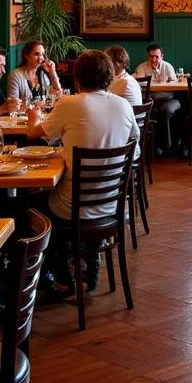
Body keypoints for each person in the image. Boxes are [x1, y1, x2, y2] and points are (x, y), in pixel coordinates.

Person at [26, 50, 138, 299]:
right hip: (111, 206)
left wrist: (33, 115)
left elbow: (34, 134)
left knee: (32, 205)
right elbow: (135, 143)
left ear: (76, 79)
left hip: (73, 208)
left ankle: (61, 277)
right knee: (80, 192)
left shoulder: (69, 104)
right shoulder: (123, 105)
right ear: (109, 77)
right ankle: (90, 261)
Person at [135, 43, 181, 153]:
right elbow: (140, 84)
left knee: (166, 110)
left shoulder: (167, 66)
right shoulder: (142, 67)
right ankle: (157, 146)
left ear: (162, 56)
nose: (153, 59)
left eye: (156, 56)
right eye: (151, 56)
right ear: (148, 56)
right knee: (147, 109)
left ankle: (165, 145)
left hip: (169, 99)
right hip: (151, 100)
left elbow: (174, 85)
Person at [5, 39, 62, 106]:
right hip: (23, 116)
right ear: (26, 55)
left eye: (42, 54)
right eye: (36, 54)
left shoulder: (42, 75)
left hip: (43, 115)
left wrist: (52, 72)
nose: (41, 58)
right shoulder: (15, 75)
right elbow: (12, 105)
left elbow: (58, 94)